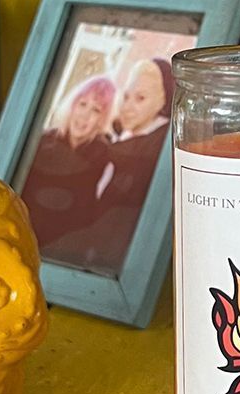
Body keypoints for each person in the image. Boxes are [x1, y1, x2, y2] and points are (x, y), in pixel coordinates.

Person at [87, 57, 175, 269]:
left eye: (140, 98)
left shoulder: (158, 147)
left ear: (163, 100)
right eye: (126, 97)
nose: (127, 107)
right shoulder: (120, 141)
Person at [19, 74, 116, 262]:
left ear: (102, 119)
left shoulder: (105, 157)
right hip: (24, 241)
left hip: (67, 255)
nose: (85, 115)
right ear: (72, 105)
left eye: (96, 110)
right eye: (82, 104)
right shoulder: (40, 142)